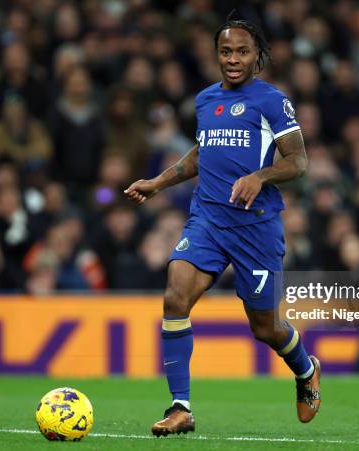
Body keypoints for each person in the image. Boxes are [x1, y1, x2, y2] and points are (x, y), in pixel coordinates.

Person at [125, 15, 321, 437]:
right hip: (208, 220)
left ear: (258, 57)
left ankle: (306, 369)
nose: (232, 59)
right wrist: (158, 183)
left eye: (242, 51)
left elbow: (299, 162)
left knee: (265, 328)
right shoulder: (204, 100)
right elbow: (201, 154)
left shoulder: (272, 101)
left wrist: (260, 176)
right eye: (225, 51)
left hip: (256, 228)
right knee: (175, 295)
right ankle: (181, 408)